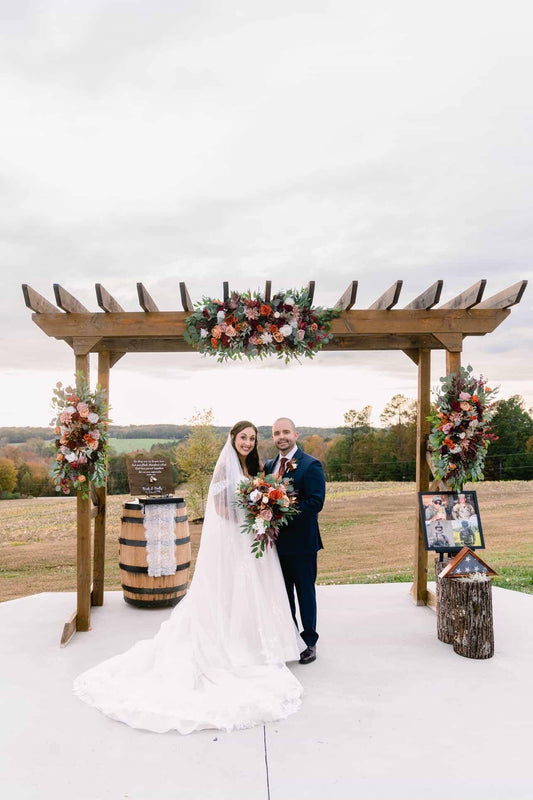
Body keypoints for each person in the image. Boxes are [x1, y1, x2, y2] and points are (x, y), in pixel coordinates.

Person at [73, 421, 305, 734]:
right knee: (231, 591)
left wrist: (263, 508)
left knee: (253, 592)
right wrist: (251, 513)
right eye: (242, 437)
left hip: (252, 540)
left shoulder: (254, 467)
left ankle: (258, 641)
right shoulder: (225, 469)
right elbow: (221, 508)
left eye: (251, 438)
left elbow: (257, 496)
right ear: (233, 439)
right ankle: (236, 645)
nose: (247, 443)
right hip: (235, 541)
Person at [264, 418, 326, 665]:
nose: (282, 436)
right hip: (275, 546)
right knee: (283, 595)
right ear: (273, 437)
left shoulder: (311, 465)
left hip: (302, 545)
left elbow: (315, 502)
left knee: (305, 594)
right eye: (277, 433)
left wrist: (282, 512)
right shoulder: (269, 465)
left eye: (286, 432)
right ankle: (290, 639)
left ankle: (309, 642)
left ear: (295, 434)